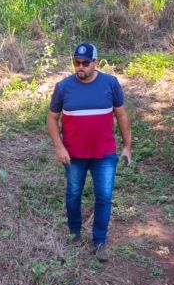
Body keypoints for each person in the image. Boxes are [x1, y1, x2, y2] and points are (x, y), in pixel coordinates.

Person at [46, 42, 132, 262]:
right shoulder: (63, 87)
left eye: (85, 63)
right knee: (73, 194)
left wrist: (127, 146)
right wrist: (59, 146)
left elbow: (121, 115)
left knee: (104, 197)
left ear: (96, 62)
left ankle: (99, 242)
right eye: (77, 62)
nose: (80, 67)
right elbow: (52, 118)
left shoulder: (110, 84)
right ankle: (74, 232)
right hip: (73, 155)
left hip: (104, 154)